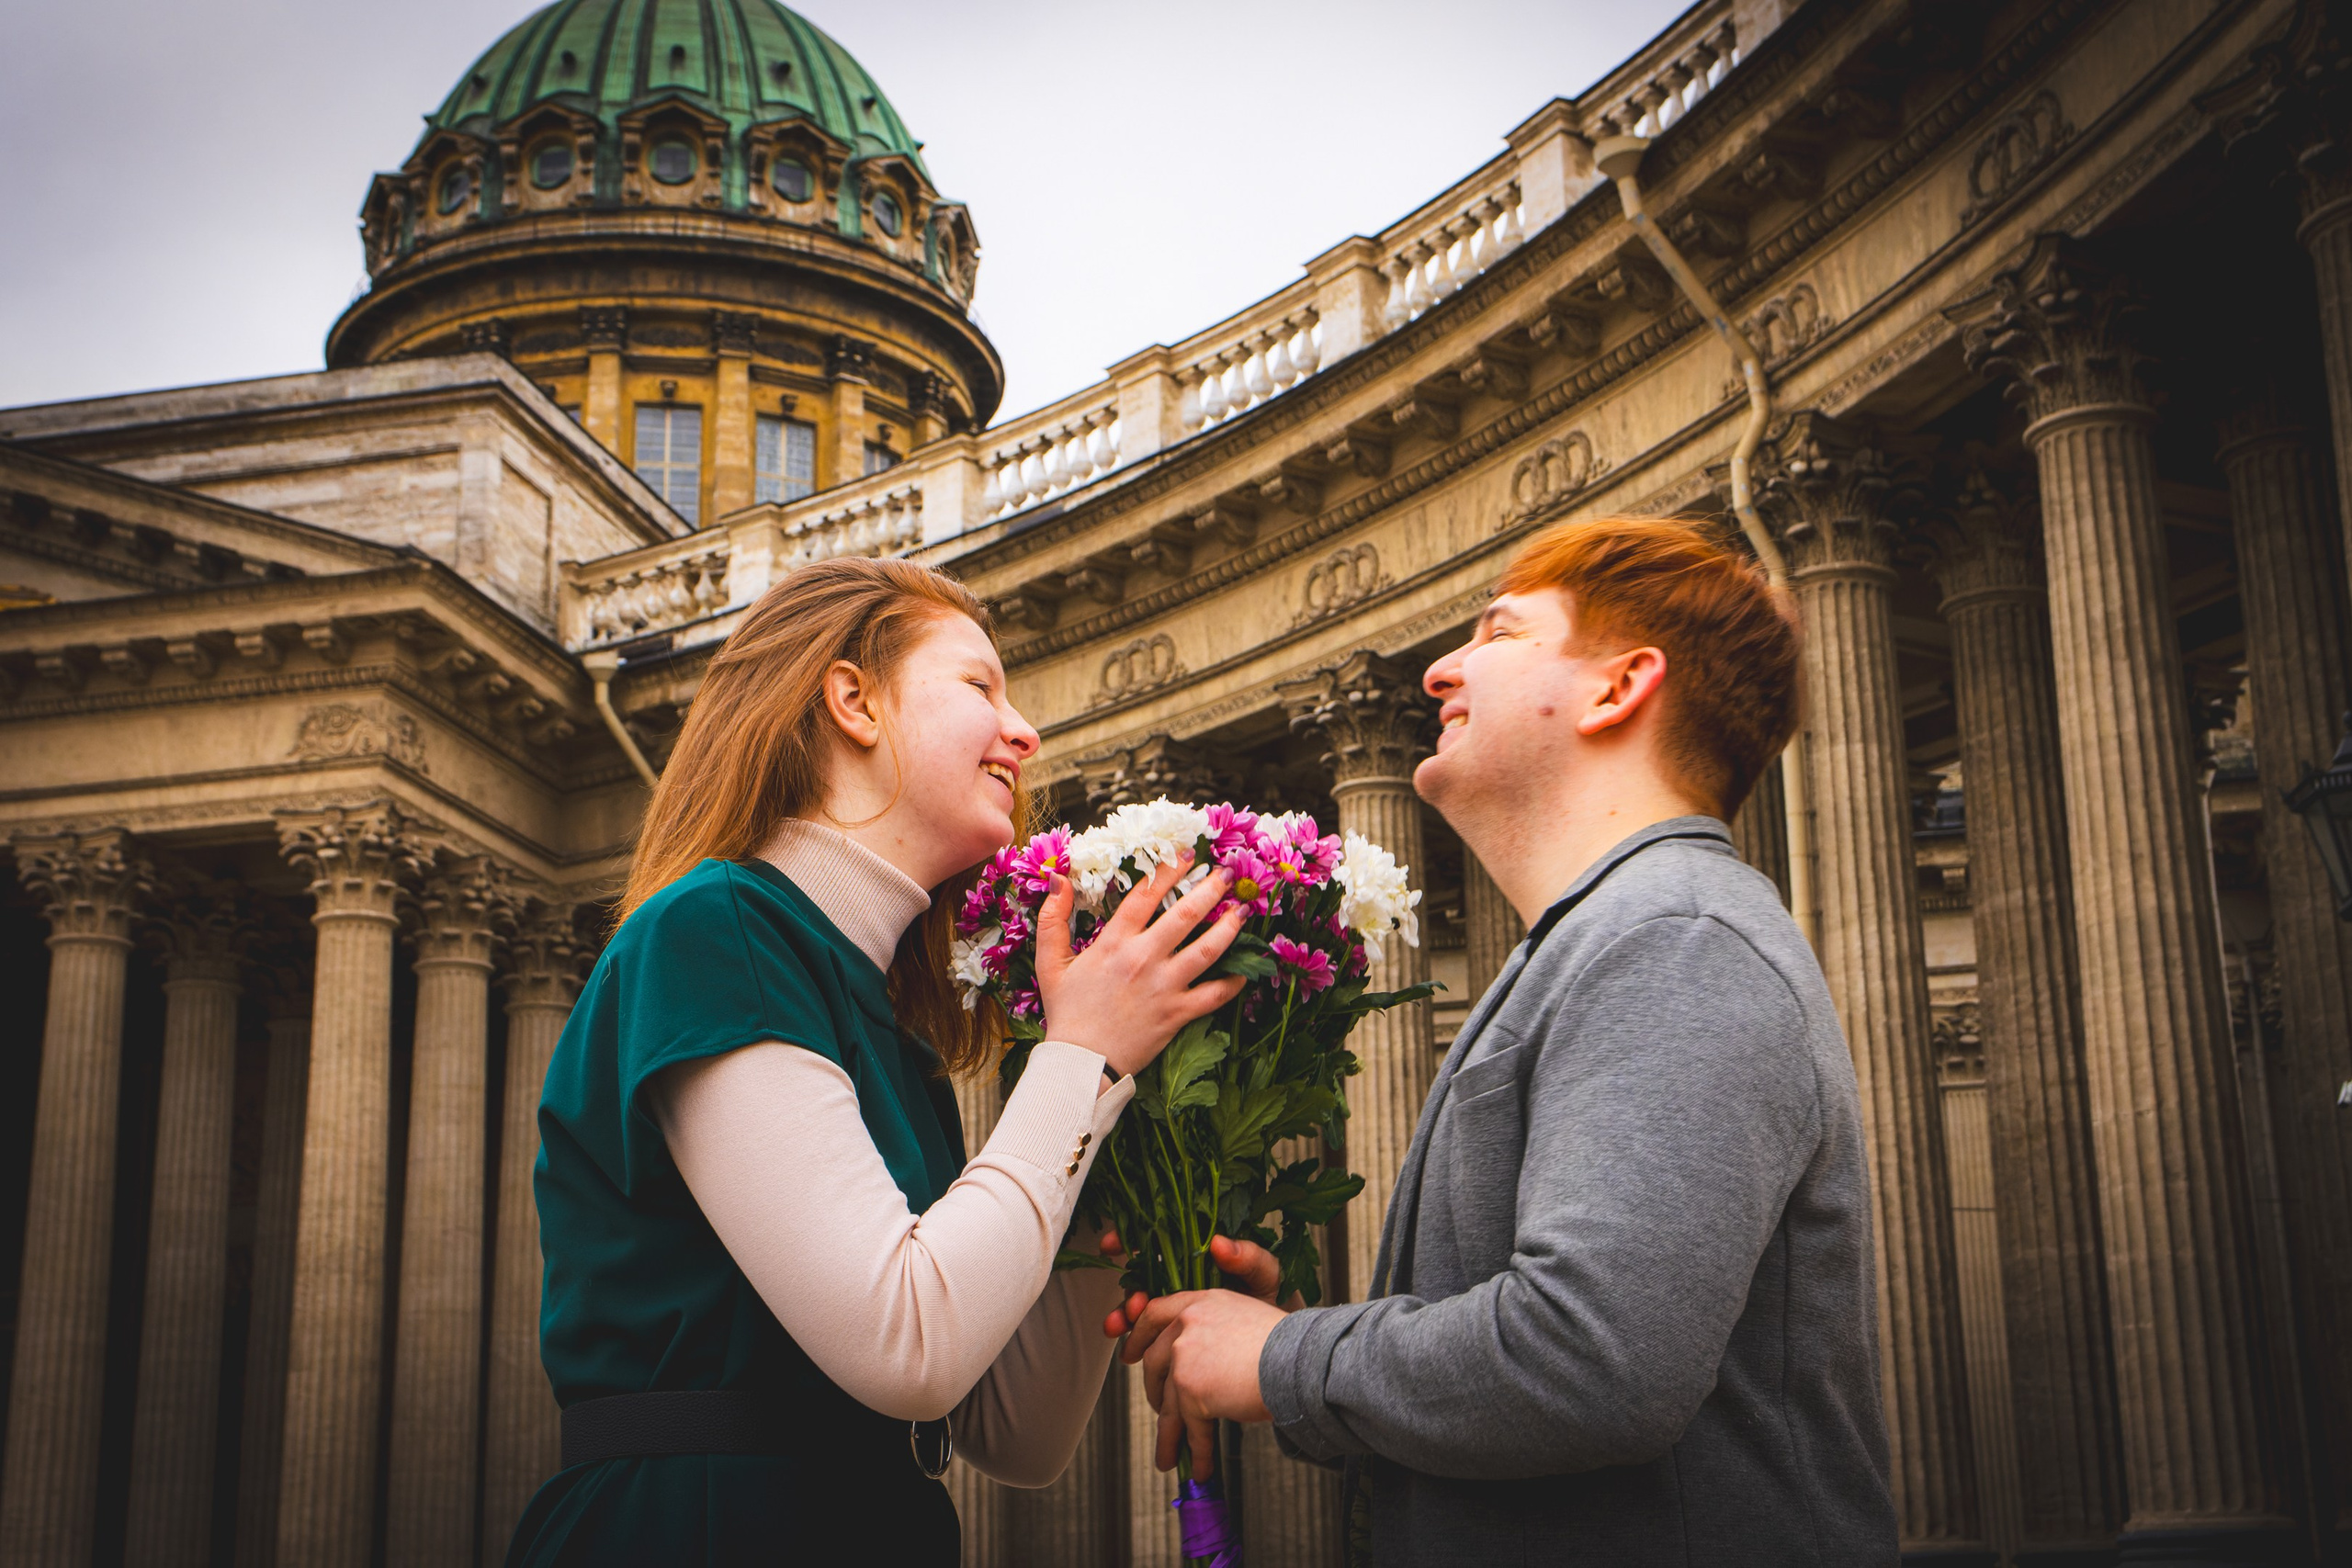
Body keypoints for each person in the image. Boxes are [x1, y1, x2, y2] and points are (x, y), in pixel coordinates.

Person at [1114, 516, 1901, 1564]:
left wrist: (1287, 1358)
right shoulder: (1613, 935)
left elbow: (1594, 1362)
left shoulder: (1672, 939)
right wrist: (1280, 1345)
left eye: (1497, 632)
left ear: (1615, 690)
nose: (1439, 669)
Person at [508, 557, 1245, 1566]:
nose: (1024, 731)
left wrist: (1119, 1162)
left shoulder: (895, 1038)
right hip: (698, 1531)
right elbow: (908, 1345)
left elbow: (1014, 1433)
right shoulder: (716, 928)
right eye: (981, 686)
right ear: (852, 700)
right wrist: (1081, 1057)